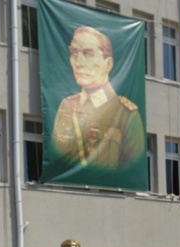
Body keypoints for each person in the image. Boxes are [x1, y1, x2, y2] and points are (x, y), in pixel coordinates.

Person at [52, 26, 144, 168]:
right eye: (74, 53)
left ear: (108, 64)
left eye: (88, 54)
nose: (79, 63)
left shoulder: (126, 115)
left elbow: (132, 171)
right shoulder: (67, 107)